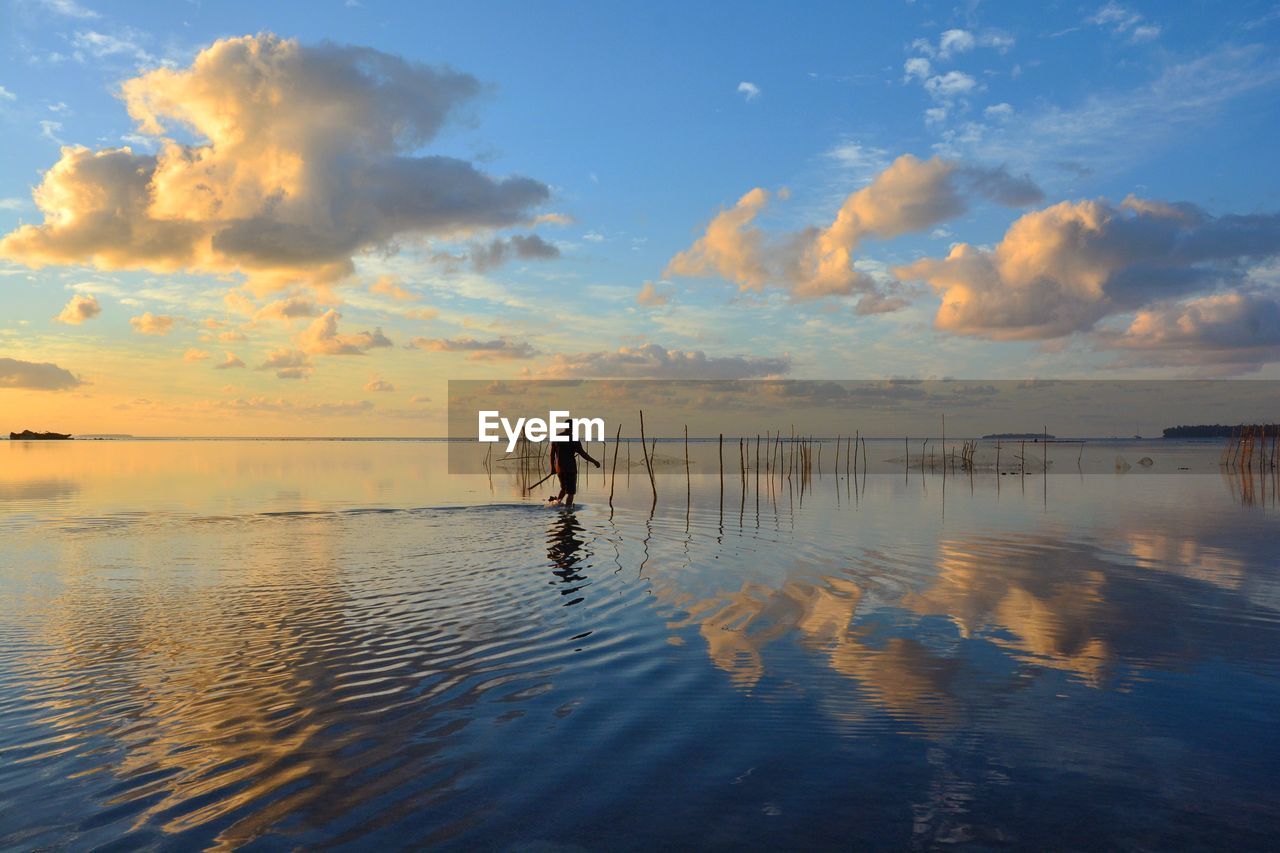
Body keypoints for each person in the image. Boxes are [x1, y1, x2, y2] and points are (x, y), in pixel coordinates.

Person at [548, 427, 600, 507]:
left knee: (563, 489)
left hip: (559, 469)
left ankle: (556, 505)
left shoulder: (556, 437)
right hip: (570, 469)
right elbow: (583, 454)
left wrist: (553, 468)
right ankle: (568, 510)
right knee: (571, 492)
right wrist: (594, 461)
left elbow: (552, 455)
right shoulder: (574, 439)